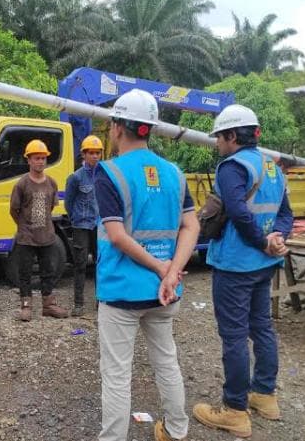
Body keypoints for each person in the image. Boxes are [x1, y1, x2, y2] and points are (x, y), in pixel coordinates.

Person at [95, 89, 200, 441]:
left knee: (116, 374)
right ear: (149, 129)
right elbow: (191, 226)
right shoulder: (174, 172)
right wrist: (171, 272)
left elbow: (117, 236)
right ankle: (176, 430)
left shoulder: (108, 172)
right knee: (166, 360)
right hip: (166, 292)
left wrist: (160, 268)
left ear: (117, 128)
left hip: (123, 290)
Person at [193, 104, 293, 438]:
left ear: (232, 136)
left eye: (219, 138)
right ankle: (264, 395)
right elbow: (286, 213)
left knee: (234, 336)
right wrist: (277, 238)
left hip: (236, 264)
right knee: (261, 327)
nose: (217, 144)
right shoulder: (272, 166)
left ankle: (235, 409)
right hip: (264, 265)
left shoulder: (232, 166)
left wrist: (264, 241)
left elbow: (236, 210)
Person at [9, 139, 69, 321]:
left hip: (47, 236)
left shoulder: (51, 183)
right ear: (28, 160)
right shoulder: (22, 184)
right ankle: (26, 306)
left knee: (48, 271)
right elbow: (14, 210)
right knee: (25, 272)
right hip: (26, 237)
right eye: (36, 158)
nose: (40, 161)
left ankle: (49, 305)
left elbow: (50, 207)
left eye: (43, 158)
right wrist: (23, 227)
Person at [64, 135, 103, 317]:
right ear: (84, 155)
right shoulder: (76, 177)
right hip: (81, 226)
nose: (95, 156)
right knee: (80, 265)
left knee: (100, 263)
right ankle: (78, 304)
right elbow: (69, 203)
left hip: (99, 226)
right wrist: (76, 219)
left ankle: (101, 301)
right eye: (91, 153)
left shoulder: (104, 175)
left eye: (97, 153)